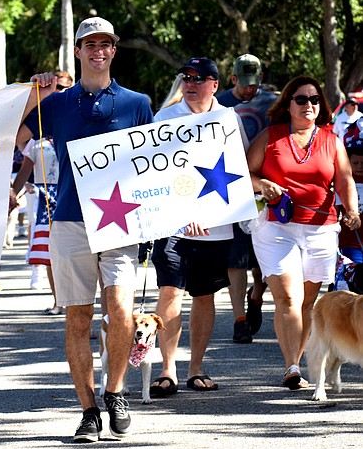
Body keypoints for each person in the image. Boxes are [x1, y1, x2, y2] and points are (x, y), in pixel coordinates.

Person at [16, 17, 154, 442]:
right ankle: (88, 411)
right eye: (89, 44)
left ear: (114, 50)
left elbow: (155, 163)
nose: (98, 51)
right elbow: (15, 138)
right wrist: (35, 94)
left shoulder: (137, 103)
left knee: (119, 312)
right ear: (77, 51)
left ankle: (115, 392)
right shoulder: (56, 103)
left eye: (105, 44)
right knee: (78, 318)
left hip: (121, 222)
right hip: (71, 221)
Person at [246, 76, 359, 389]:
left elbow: (345, 180)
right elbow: (244, 172)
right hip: (276, 227)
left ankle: (298, 360)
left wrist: (352, 211)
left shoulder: (331, 141)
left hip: (321, 229)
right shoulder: (271, 137)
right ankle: (292, 366)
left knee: (308, 302)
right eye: (301, 99)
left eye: (314, 99)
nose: (308, 105)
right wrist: (262, 185)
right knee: (288, 297)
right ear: (288, 103)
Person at [147, 58, 248, 398]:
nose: (190, 84)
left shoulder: (229, 120)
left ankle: (196, 369)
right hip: (172, 225)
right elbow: (151, 174)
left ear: (215, 84)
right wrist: (181, 210)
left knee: (204, 297)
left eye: (199, 78)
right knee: (170, 292)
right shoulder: (164, 118)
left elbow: (238, 169)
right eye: (186, 78)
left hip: (215, 227)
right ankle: (167, 370)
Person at [217, 54, 278, 337]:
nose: (249, 89)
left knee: (263, 260)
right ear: (233, 79)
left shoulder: (272, 103)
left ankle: (256, 295)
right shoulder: (218, 103)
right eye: (244, 84)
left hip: (265, 185)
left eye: (254, 84)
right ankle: (240, 320)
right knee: (236, 258)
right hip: (229, 187)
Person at [11, 71, 73, 313]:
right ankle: (58, 301)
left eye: (65, 87)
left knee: (76, 256)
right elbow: (26, 169)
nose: (59, 92)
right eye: (56, 88)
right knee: (51, 253)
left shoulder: (74, 130)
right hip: (46, 199)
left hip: (72, 196)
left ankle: (81, 307)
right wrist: (11, 195)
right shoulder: (37, 141)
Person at [336, 139, 363, 263]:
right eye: (355, 163)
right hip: (350, 241)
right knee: (355, 274)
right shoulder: (343, 182)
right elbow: (335, 212)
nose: (360, 167)